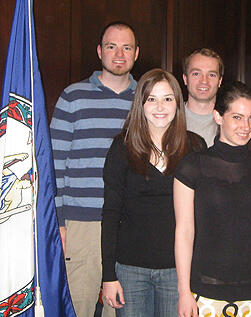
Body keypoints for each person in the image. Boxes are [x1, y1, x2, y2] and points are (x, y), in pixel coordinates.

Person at [50, 21, 139, 317]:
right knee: (78, 306)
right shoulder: (72, 97)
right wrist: (59, 222)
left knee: (122, 309)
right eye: (112, 46)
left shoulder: (146, 101)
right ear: (100, 51)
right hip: (82, 223)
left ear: (136, 54)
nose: (119, 54)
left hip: (129, 224)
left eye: (126, 47)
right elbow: (53, 166)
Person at [101, 69, 205, 316]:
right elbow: (111, 212)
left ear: (178, 104)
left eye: (168, 99)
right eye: (152, 99)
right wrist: (108, 275)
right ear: (141, 103)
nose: (160, 106)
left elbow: (201, 216)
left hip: (177, 271)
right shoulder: (122, 147)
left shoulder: (195, 147)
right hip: (130, 270)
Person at [174, 81, 251, 317]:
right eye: (237, 117)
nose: (246, 126)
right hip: (204, 289)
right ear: (218, 117)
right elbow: (184, 231)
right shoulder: (192, 166)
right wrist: (184, 291)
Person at [182, 48, 224, 146]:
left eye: (212, 75)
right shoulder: (169, 119)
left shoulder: (230, 122)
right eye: (196, 74)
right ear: (185, 79)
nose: (204, 81)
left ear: (220, 81)